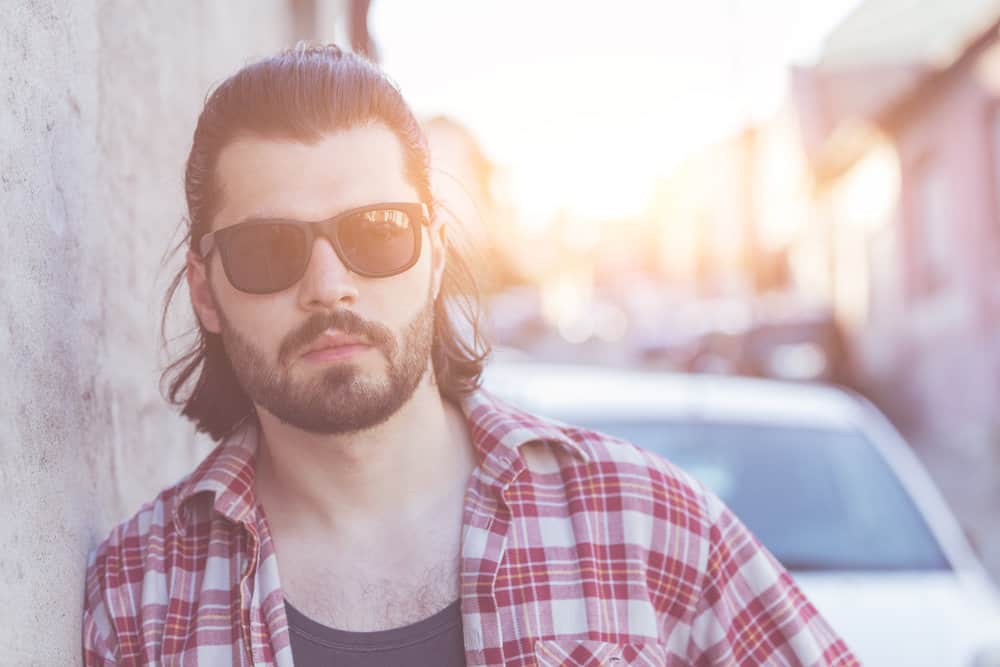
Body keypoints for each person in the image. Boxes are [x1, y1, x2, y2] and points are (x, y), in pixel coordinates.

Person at [82, 44, 858, 666]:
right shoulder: (140, 593)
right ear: (206, 292)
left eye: (377, 231)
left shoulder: (649, 524)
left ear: (434, 256)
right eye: (265, 248)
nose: (329, 286)